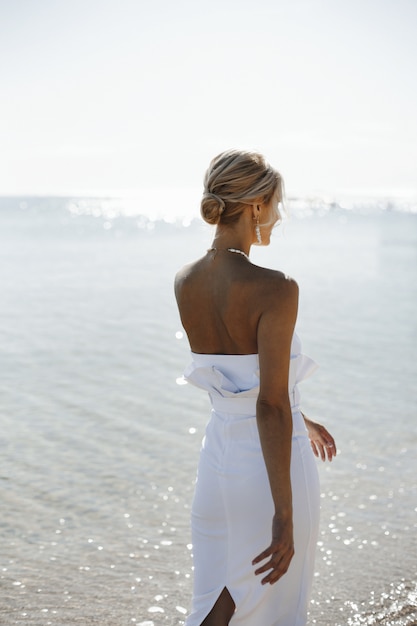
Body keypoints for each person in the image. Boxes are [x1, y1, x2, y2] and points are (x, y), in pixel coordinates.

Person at [174, 149, 336, 626]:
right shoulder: (277, 287)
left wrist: (301, 416)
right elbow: (268, 404)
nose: (279, 215)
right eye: (276, 204)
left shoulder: (185, 281)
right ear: (257, 205)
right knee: (277, 608)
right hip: (268, 470)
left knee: (214, 608)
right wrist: (284, 515)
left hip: (218, 461)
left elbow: (235, 383)